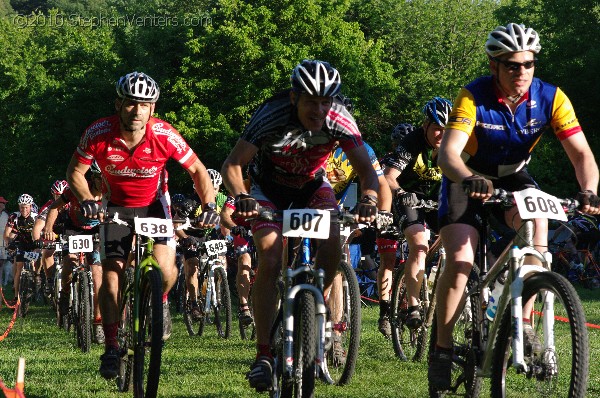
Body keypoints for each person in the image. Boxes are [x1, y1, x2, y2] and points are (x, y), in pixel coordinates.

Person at [430, 22, 600, 391]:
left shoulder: (551, 97)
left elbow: (582, 152)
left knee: (538, 231)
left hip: (514, 176)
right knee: (460, 262)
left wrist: (589, 190)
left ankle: (522, 321)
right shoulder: (472, 96)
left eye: (528, 64)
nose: (520, 72)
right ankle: (442, 348)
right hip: (467, 176)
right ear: (494, 66)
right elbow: (448, 154)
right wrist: (468, 178)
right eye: (511, 65)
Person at [221, 59, 379, 392]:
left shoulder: (340, 119)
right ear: (295, 98)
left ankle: (315, 302)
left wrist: (368, 200)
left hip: (311, 186)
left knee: (335, 240)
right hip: (268, 189)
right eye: (312, 101)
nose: (320, 109)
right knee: (271, 256)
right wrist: (241, 197)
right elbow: (233, 164)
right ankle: (263, 354)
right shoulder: (271, 114)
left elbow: (367, 172)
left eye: (326, 101)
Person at [66, 71, 219, 380]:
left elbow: (199, 171)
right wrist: (87, 200)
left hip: (154, 206)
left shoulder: (163, 134)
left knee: (164, 268)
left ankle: (160, 301)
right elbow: (75, 173)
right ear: (119, 104)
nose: (137, 111)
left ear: (153, 108)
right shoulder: (98, 133)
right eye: (131, 104)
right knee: (112, 273)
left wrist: (211, 206)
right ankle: (111, 346)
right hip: (117, 208)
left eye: (145, 105)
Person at [325, 95, 395, 341]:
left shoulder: (360, 149)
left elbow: (381, 184)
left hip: (335, 208)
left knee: (335, 262)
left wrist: (383, 214)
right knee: (291, 257)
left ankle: (335, 332)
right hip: (304, 203)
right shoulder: (310, 141)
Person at [379, 97, 452, 336]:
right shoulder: (412, 142)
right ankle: (413, 306)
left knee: (459, 241)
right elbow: (389, 176)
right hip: (409, 198)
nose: (442, 134)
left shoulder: (455, 144)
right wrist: (401, 192)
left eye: (447, 128)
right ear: (426, 126)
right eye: (437, 128)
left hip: (437, 200)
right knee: (419, 245)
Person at [41, 162, 105, 342]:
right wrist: (48, 228)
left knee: (98, 275)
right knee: (69, 261)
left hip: (96, 231)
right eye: (100, 178)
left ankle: (98, 322)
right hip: (74, 229)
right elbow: (54, 207)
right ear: (93, 178)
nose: (104, 182)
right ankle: (65, 294)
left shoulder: (110, 192)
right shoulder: (78, 189)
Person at [172, 169, 229, 321]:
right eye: (209, 188)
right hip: (191, 235)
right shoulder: (189, 203)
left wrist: (228, 235)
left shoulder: (223, 200)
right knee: (192, 265)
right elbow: (175, 224)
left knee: (222, 261)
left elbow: (226, 219)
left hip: (211, 234)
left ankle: (218, 291)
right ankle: (194, 304)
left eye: (215, 189)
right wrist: (184, 238)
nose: (213, 192)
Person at [32, 180, 70, 297]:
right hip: (53, 234)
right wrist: (37, 241)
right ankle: (49, 280)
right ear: (53, 194)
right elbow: (38, 226)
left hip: (71, 233)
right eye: (56, 195)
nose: (59, 198)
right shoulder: (48, 206)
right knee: (47, 252)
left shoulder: (74, 202)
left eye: (62, 195)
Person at [4, 194, 38, 301]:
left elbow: (40, 232)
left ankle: (37, 278)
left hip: (33, 243)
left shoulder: (36, 217)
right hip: (21, 242)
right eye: (22, 207)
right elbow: (7, 234)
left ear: (31, 206)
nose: (24, 209)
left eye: (26, 207)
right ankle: (16, 296)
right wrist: (9, 243)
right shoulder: (14, 216)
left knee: (35, 262)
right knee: (18, 266)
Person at [0, 197, 9, 287]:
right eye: (3, 203)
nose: (4, 205)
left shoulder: (6, 215)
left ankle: (1, 282)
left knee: (2, 263)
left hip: (3, 244)